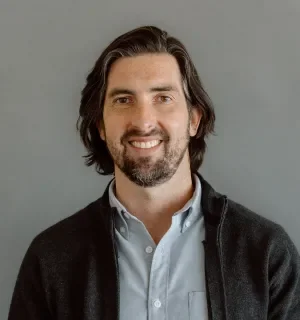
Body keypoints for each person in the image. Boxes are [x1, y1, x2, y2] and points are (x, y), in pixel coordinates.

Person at [8, 25, 300, 320]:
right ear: (101, 125)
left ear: (194, 120)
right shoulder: (51, 258)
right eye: (123, 100)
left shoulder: (266, 253)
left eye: (163, 98)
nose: (144, 121)